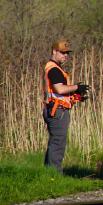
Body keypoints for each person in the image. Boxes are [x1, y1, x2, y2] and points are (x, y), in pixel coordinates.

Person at [43, 40, 89, 172]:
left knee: (55, 143)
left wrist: (76, 95)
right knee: (57, 144)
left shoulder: (56, 68)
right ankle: (54, 175)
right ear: (54, 51)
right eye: (62, 52)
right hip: (57, 111)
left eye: (67, 53)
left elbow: (60, 92)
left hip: (56, 109)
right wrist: (77, 87)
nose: (65, 55)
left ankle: (48, 174)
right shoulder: (53, 69)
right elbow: (60, 89)